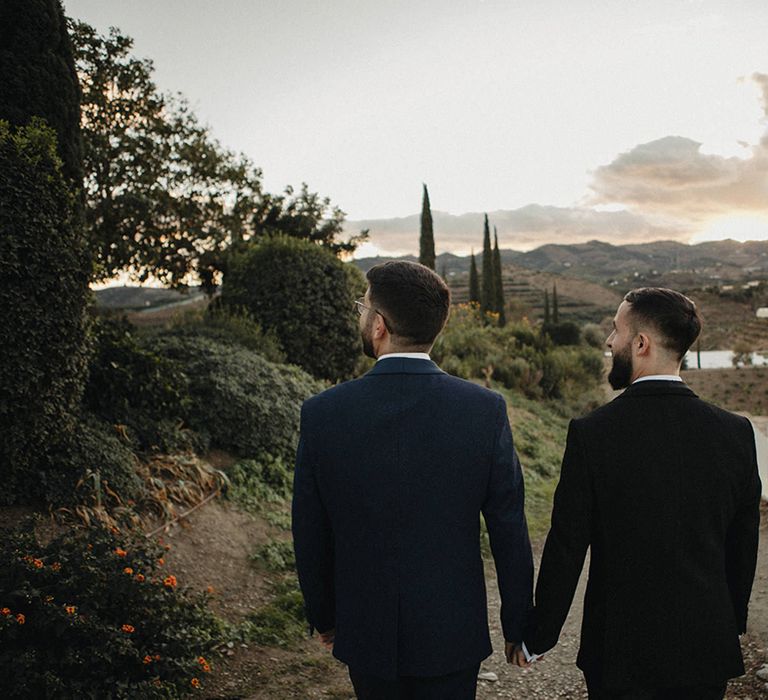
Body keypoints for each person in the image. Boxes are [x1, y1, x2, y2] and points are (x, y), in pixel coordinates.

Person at [292, 260, 533, 699]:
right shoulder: (483, 409)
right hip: (452, 632)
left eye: (362, 308)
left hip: (366, 630)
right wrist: (518, 624)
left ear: (379, 325)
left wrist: (325, 616)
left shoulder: (323, 413)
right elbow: (509, 525)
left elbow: (310, 529)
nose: (361, 316)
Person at [519, 287, 762, 699]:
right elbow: (743, 543)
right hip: (704, 647)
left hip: (618, 651)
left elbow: (566, 546)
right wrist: (729, 620)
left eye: (616, 331)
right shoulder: (736, 433)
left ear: (641, 343)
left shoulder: (593, 434)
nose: (610, 342)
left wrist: (539, 636)